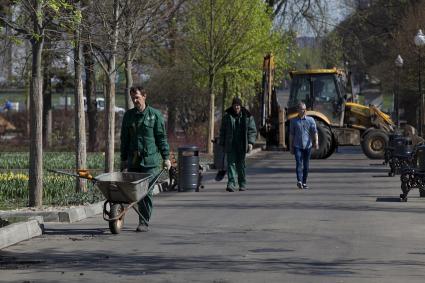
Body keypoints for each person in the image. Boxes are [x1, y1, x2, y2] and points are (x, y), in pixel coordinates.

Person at [120, 86, 171, 232]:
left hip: (149, 161)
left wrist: (166, 157)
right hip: (134, 159)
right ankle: (120, 215)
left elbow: (161, 138)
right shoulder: (128, 116)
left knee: (146, 191)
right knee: (133, 191)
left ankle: (143, 221)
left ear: (144, 96)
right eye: (132, 98)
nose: (135, 100)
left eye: (137, 97)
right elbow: (124, 139)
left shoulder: (155, 115)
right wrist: (123, 159)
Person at [219, 97, 257, 192]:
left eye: (238, 105)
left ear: (241, 106)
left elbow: (252, 131)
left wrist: (251, 143)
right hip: (231, 144)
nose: (236, 107)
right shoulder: (227, 117)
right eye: (235, 105)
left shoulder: (247, 116)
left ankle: (242, 183)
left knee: (241, 165)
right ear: (232, 106)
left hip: (242, 143)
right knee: (231, 164)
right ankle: (231, 184)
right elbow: (222, 131)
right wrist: (222, 143)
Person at [289, 102, 319, 189]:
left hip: (307, 146)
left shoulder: (310, 120)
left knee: (306, 165)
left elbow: (315, 132)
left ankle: (304, 182)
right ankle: (299, 181)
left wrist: (316, 142)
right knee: (299, 163)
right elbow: (291, 134)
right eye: (302, 109)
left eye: (305, 109)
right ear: (298, 110)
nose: (304, 111)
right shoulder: (293, 121)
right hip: (297, 145)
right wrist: (291, 147)